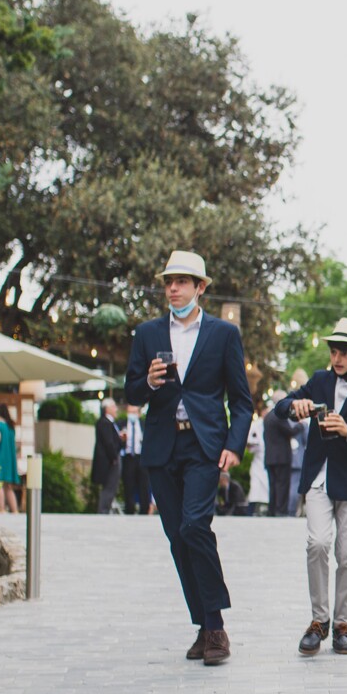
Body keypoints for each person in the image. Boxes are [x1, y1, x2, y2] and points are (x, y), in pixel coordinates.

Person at [124, 249, 253, 666]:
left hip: (203, 445)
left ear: (200, 288)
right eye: (168, 281)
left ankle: (216, 628)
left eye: (182, 281)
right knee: (177, 538)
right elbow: (130, 393)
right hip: (162, 446)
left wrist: (233, 444)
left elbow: (242, 400)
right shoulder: (146, 334)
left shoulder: (223, 334)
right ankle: (203, 624)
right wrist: (146, 380)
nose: (173, 288)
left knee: (195, 526)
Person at [271, 318, 347, 656]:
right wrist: (293, 406)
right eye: (334, 351)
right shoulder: (320, 381)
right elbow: (279, 408)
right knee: (317, 544)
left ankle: (342, 625)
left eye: (345, 353)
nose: (337, 358)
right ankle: (318, 621)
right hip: (317, 479)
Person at [262, 392, 302, 517]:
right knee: (282, 485)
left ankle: (272, 510)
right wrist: (301, 425)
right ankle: (281, 511)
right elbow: (290, 431)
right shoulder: (278, 416)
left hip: (269, 457)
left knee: (273, 485)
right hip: (282, 457)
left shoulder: (267, 416)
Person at [91, 399, 123, 514]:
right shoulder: (104, 423)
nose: (116, 409)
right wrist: (114, 457)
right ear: (107, 409)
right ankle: (103, 511)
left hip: (111, 460)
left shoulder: (109, 423)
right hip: (110, 461)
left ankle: (105, 510)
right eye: (114, 406)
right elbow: (108, 442)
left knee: (110, 487)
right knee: (109, 487)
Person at [121, 404, 150, 514]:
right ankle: (129, 509)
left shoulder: (144, 424)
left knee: (144, 483)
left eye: (134, 412)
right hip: (128, 457)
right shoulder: (122, 424)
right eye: (130, 412)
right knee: (128, 483)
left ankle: (144, 509)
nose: (132, 414)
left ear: (138, 413)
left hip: (141, 457)